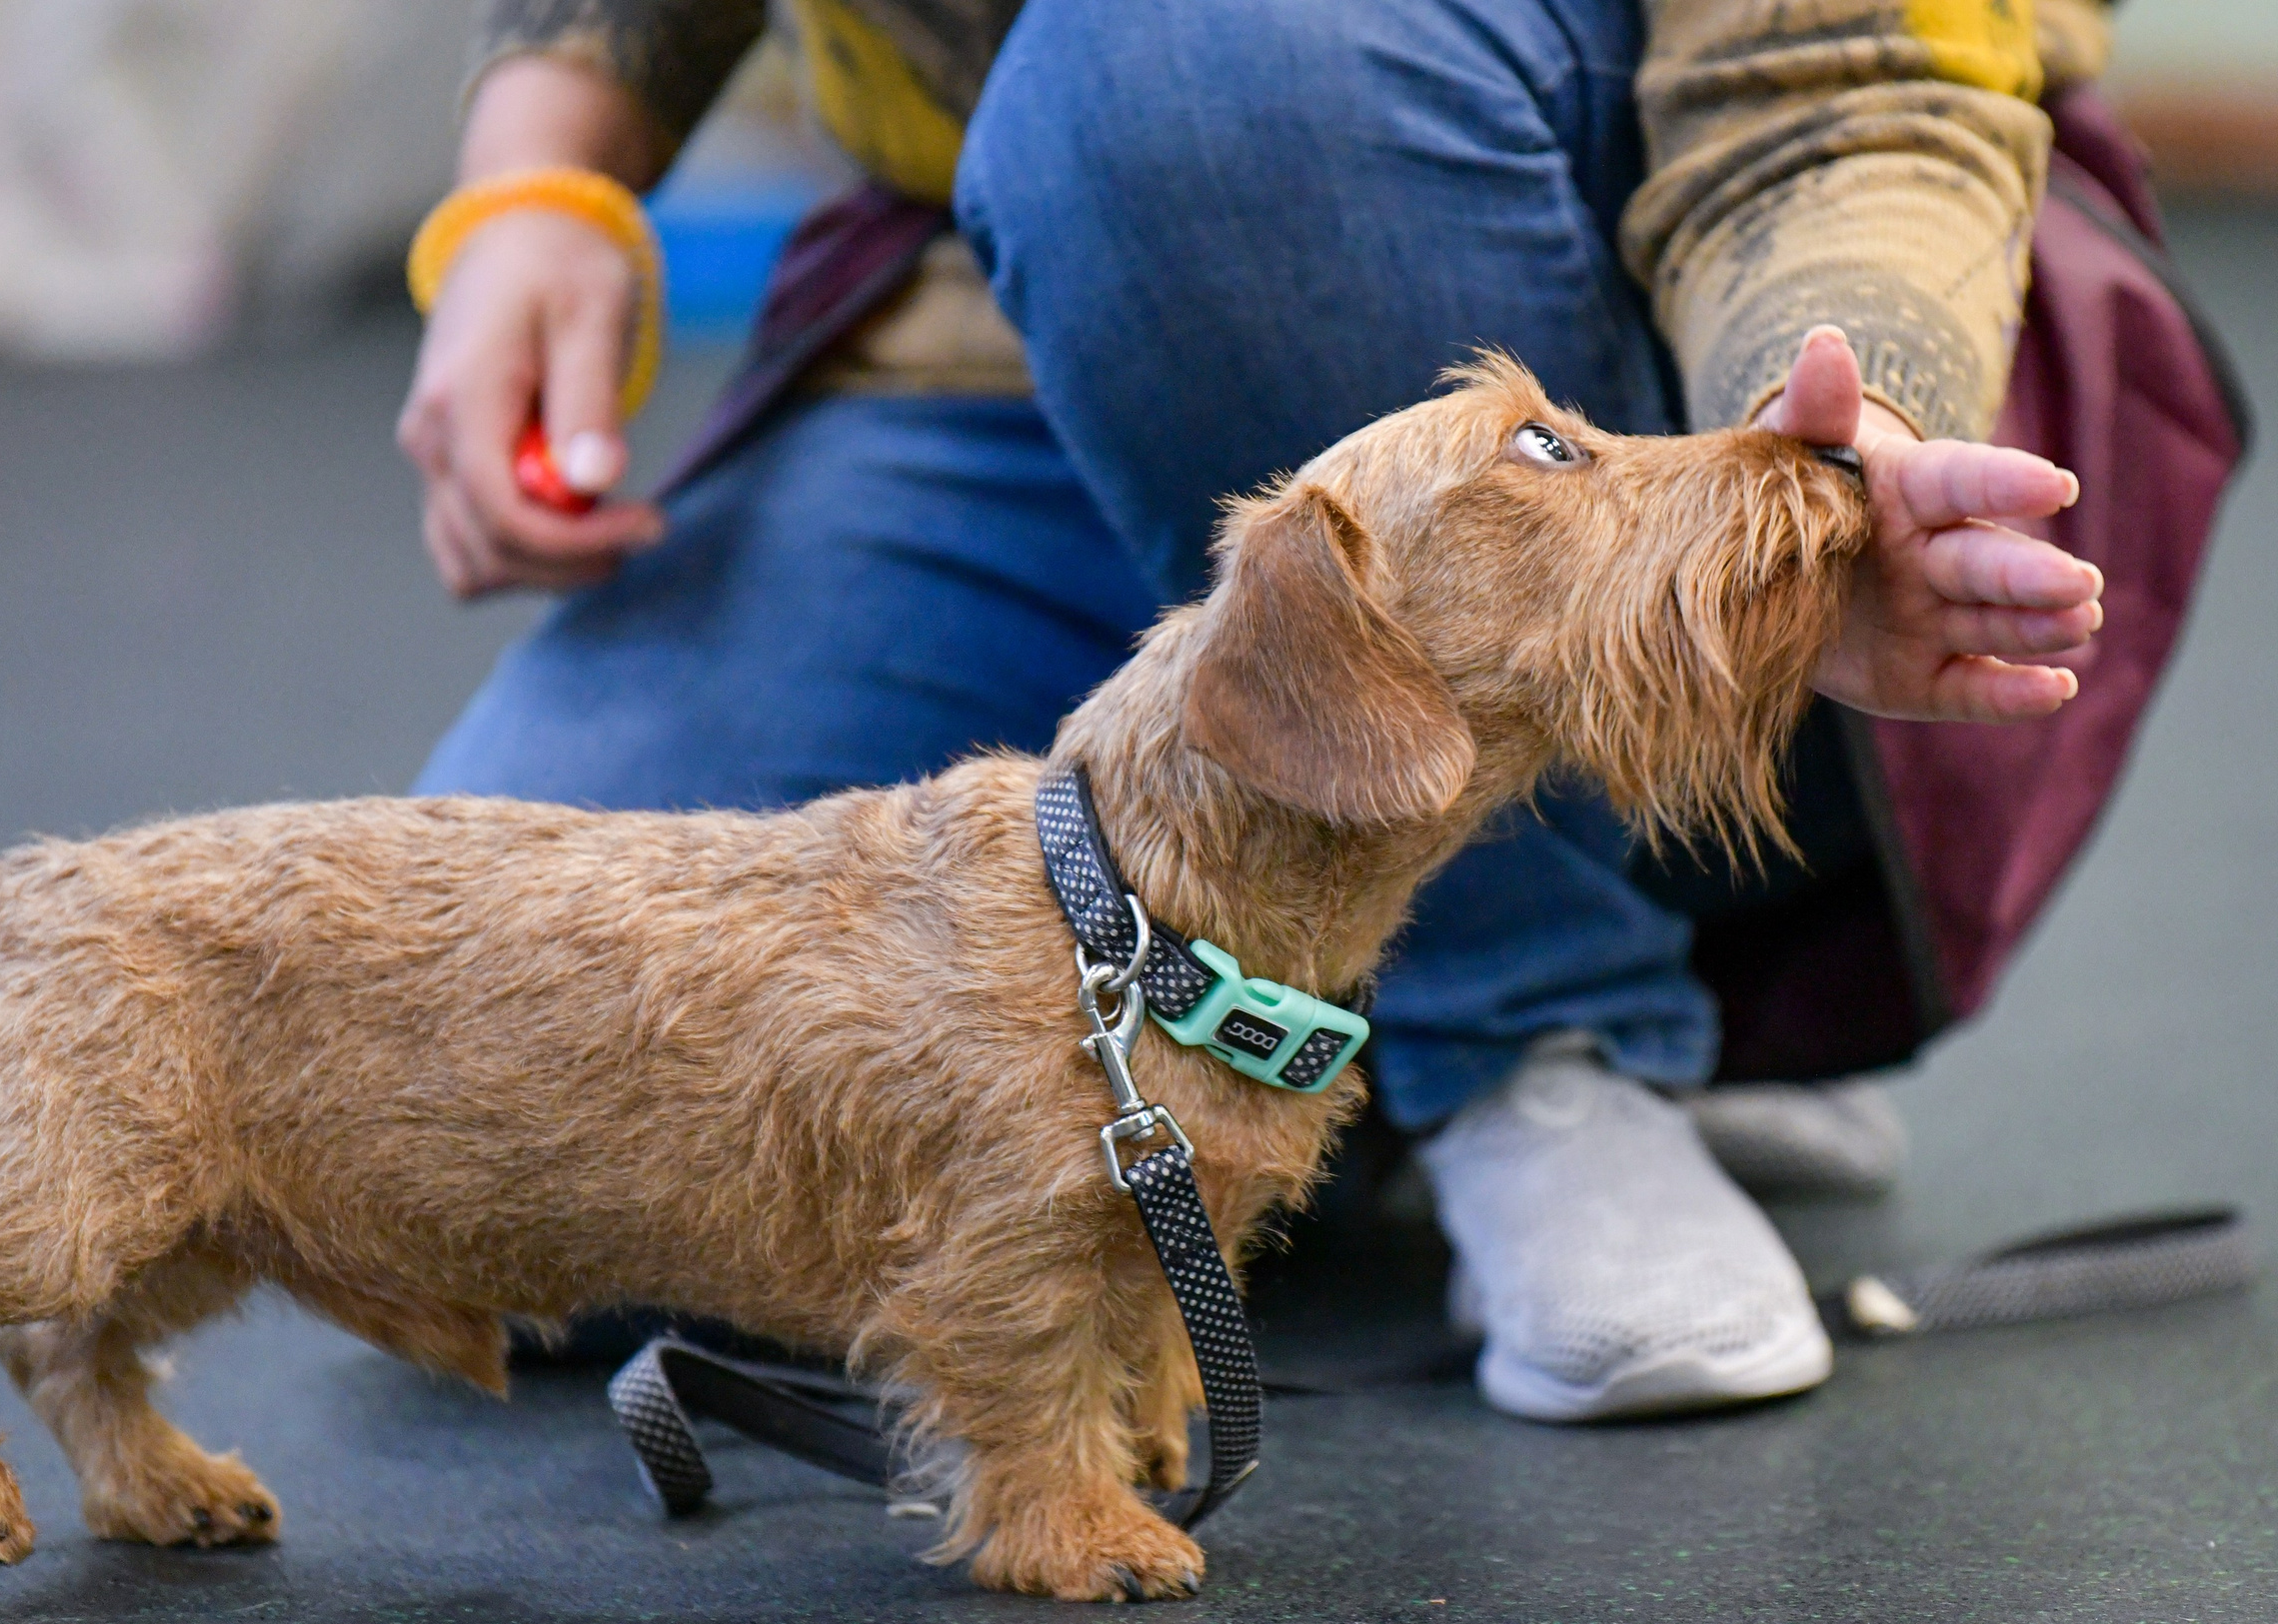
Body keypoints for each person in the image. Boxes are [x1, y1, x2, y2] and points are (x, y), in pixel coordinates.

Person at [395, 0, 2109, 1421]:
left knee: (1171, 74)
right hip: (979, 326)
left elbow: (1841, 77)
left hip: (1551, 251)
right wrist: (539, 184)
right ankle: (1308, 1054)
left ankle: (1543, 1042)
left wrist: (1843, 426)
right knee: (501, 1139)